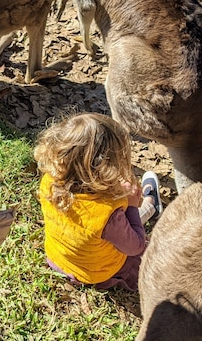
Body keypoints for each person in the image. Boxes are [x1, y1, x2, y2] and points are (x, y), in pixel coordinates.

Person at [33, 113, 162, 291]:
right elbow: (135, 247)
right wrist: (131, 204)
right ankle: (150, 206)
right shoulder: (108, 215)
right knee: (152, 253)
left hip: (58, 260)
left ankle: (150, 207)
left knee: (115, 227)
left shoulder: (50, 180)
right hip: (96, 273)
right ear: (107, 166)